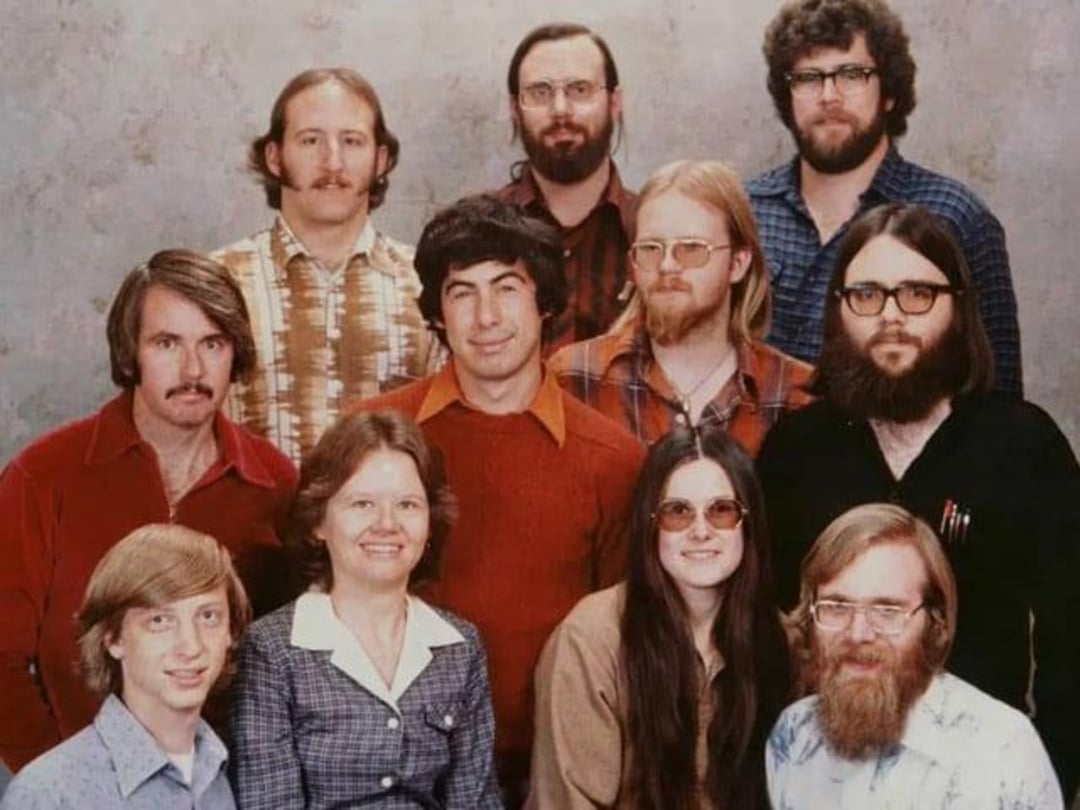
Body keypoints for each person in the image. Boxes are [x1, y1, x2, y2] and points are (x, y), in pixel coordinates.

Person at [758, 203, 1080, 798]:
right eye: (867, 295)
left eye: (917, 294)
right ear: (838, 311)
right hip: (827, 774)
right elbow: (765, 634)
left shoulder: (1022, 446)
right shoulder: (795, 452)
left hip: (983, 779)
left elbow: (1073, 635)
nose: (891, 316)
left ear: (958, 307)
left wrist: (1048, 773)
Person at [356, 194, 643, 802]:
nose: (486, 317)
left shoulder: (614, 460)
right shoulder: (370, 439)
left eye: (507, 287)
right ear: (437, 312)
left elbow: (624, 647)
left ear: (546, 304)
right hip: (397, 775)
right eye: (462, 292)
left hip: (553, 775)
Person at [0, 250, 296, 773]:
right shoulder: (43, 476)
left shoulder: (275, 485)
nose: (193, 369)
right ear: (131, 351)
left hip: (228, 790)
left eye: (213, 343)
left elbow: (290, 668)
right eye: (167, 343)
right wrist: (59, 780)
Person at [748, 0, 1022, 396]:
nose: (829, 95)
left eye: (852, 74)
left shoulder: (956, 216)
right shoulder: (745, 212)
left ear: (889, 92)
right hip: (763, 457)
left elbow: (1001, 397)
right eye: (808, 77)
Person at [230, 411, 502, 808]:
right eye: (362, 504)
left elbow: (476, 801)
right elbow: (269, 802)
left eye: (408, 504)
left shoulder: (460, 647)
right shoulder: (271, 650)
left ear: (430, 521)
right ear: (317, 523)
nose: (387, 524)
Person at [528, 427, 790, 809]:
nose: (701, 531)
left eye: (721, 511)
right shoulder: (591, 638)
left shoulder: (779, 639)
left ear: (747, 525)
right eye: (677, 512)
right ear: (651, 525)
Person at [767, 503, 1064, 808]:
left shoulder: (1004, 749)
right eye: (837, 606)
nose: (858, 634)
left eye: (887, 611)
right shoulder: (794, 734)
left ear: (934, 622)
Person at [213, 67, 441, 464]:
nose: (332, 161)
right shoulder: (217, 283)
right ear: (274, 157)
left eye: (352, 141)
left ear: (381, 159)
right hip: (249, 527)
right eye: (310, 140)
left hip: (389, 525)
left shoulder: (427, 284)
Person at [550, 160, 813, 455]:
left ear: (737, 264)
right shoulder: (574, 378)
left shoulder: (796, 395)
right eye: (650, 249)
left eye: (691, 248)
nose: (667, 266)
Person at [1, 523, 251, 809]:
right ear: (113, 638)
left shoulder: (228, 775)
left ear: (230, 632)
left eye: (208, 616)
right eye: (159, 621)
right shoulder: (50, 793)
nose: (191, 646)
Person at [494, 23, 637, 350]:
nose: (560, 109)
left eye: (580, 89)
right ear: (515, 109)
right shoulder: (477, 231)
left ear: (615, 103)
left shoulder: (652, 235)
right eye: (540, 92)